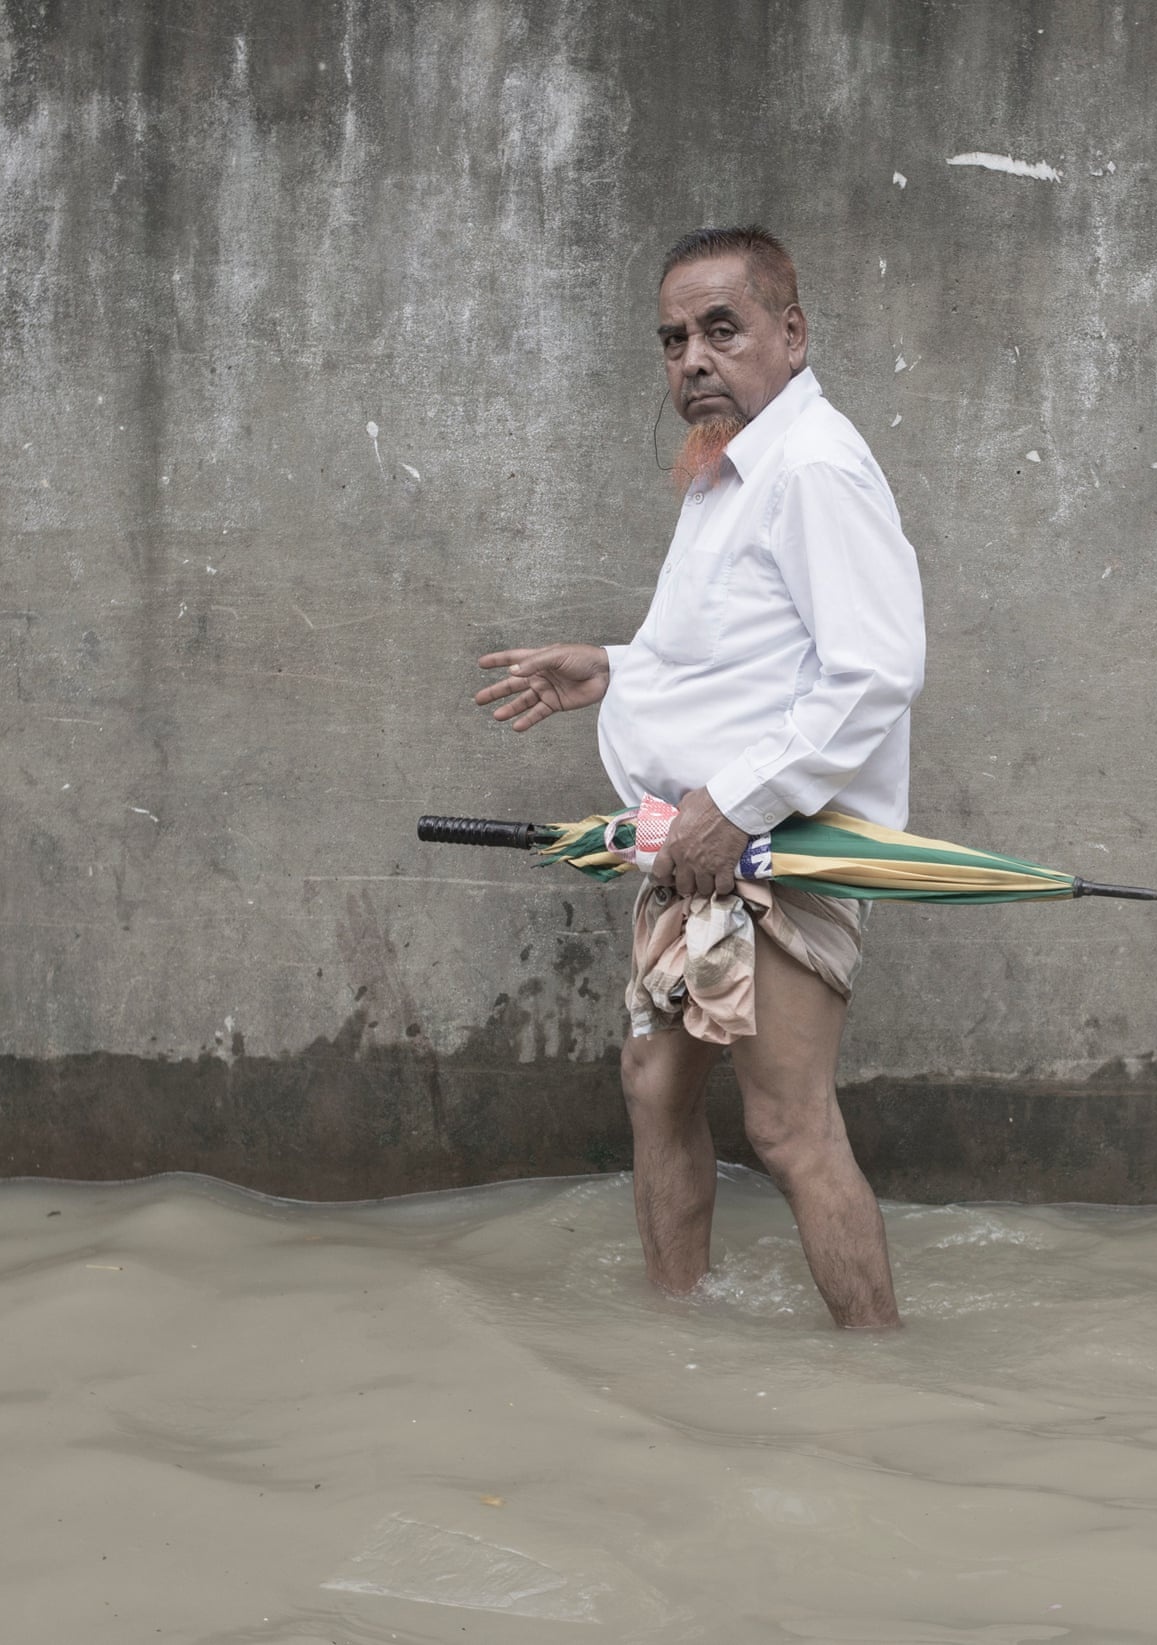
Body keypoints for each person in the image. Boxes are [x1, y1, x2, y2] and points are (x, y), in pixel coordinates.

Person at [474, 226, 925, 1328]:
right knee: (656, 1087)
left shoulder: (812, 466)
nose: (692, 359)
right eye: (673, 338)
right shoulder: (727, 468)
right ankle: (674, 1351)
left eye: (721, 328)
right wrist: (615, 668)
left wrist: (738, 806)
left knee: (787, 1128)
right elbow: (740, 658)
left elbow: (875, 671)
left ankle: (883, 1379)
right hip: (700, 853)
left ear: (791, 331)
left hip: (779, 852)